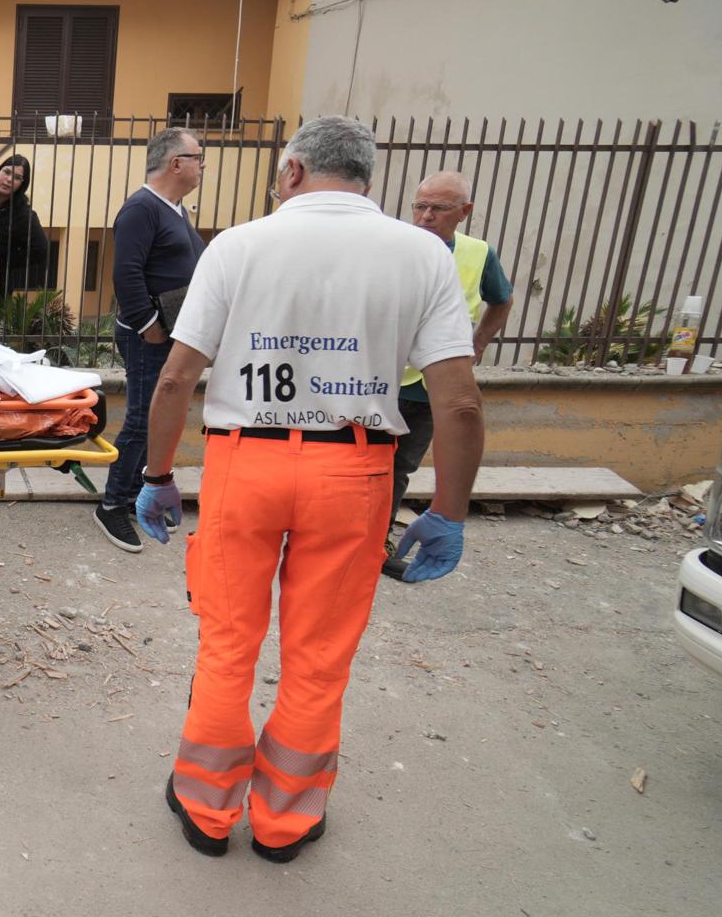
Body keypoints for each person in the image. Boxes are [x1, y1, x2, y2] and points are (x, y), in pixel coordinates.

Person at [133, 116, 484, 864]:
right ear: (368, 177)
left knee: (228, 642)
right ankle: (286, 823)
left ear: (291, 170)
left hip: (244, 465)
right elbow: (458, 402)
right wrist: (448, 511)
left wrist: (158, 476)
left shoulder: (237, 247)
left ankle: (206, 807)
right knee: (320, 654)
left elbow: (175, 378)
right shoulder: (421, 254)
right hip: (354, 473)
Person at [382, 170, 513, 579]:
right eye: (419, 206)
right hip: (382, 380)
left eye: (438, 208)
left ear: (464, 211)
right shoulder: (391, 247)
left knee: (400, 467)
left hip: (429, 388)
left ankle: (376, 540)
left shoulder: (477, 254)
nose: (425, 216)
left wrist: (478, 344)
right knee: (363, 461)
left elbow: (501, 300)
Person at [95, 128, 209, 552]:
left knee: (158, 418)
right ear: (176, 162)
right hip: (149, 335)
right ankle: (112, 504)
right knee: (143, 419)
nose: (202, 167)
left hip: (169, 333)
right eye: (198, 158)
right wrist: (149, 325)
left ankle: (141, 496)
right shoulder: (142, 209)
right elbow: (125, 273)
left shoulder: (173, 209)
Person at [0, 154, 49, 339]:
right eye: (7, 172)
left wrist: (3, 262)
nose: (9, 180)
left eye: (18, 177)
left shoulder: (23, 213)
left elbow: (40, 249)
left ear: (23, 183)